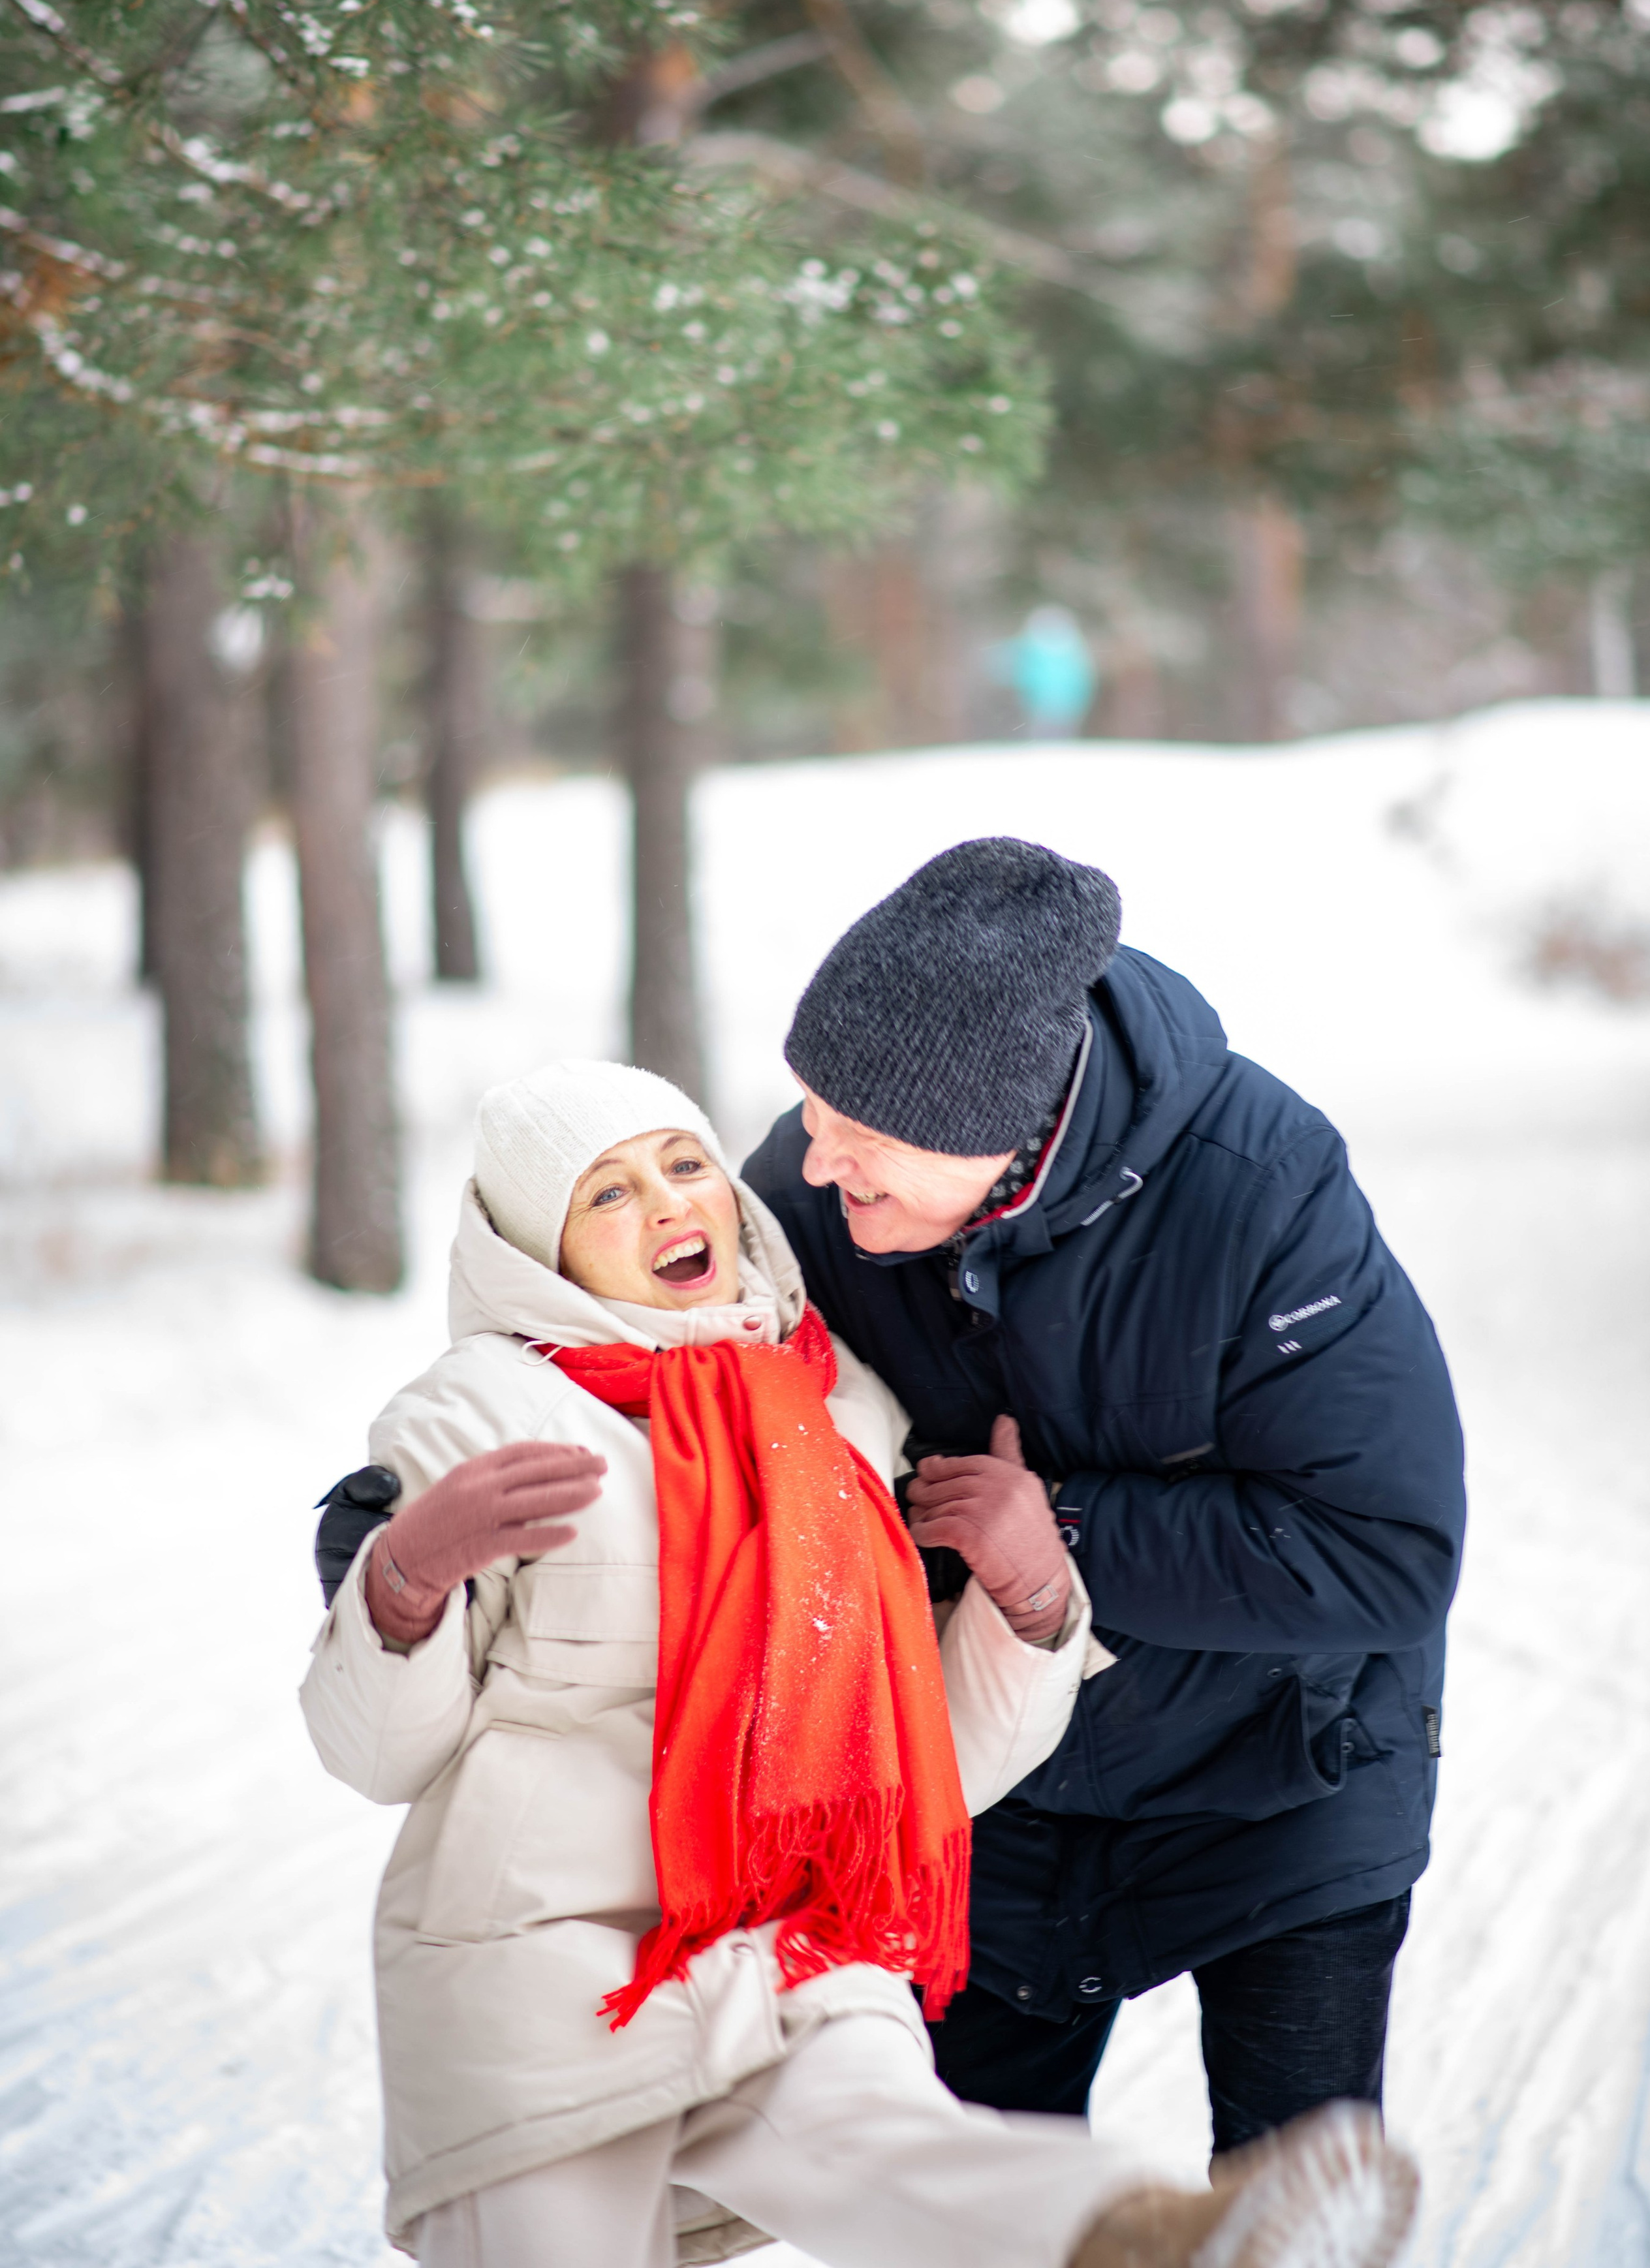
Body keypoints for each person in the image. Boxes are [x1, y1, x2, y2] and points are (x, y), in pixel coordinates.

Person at [302, 1057, 1420, 2268]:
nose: (671, 1205)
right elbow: (380, 1755)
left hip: (787, 1932)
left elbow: (929, 1757)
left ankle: (1143, 2239)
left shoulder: (843, 1411)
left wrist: (1032, 1598)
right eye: (608, 1195)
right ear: (538, 1250)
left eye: (685, 1166)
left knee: (906, 2149)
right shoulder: (479, 1415)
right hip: (542, 1949)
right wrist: (401, 1583)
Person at [742, 837, 1467, 2156]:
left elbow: (1384, 1551)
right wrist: (417, 1522)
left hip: (1274, 1781)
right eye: (807, 1113)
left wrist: (1057, 1532)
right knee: (960, 2211)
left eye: (863, 1142)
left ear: (999, 1134)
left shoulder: (1260, 1190)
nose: (810, 1163)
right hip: (995, 1782)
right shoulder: (818, 1198)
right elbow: (636, 1375)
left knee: (1290, 2213)